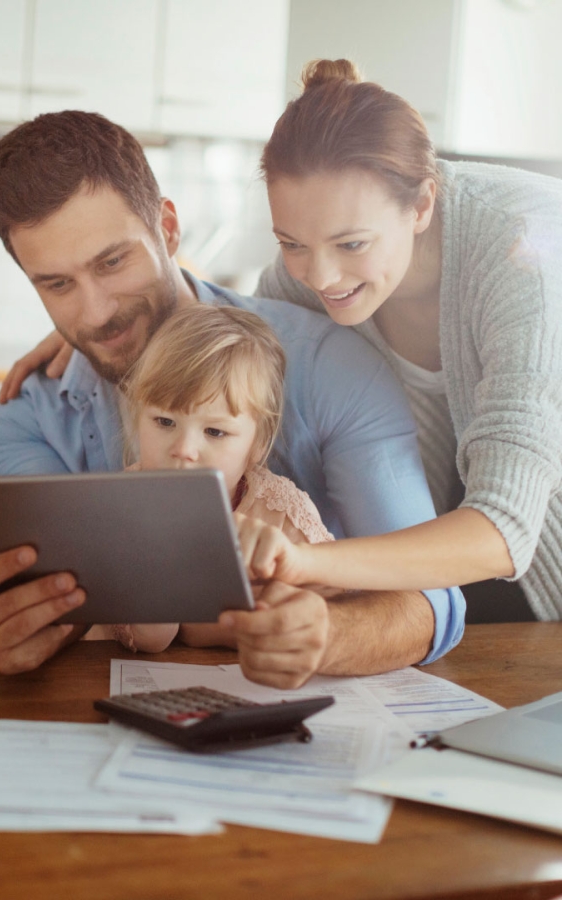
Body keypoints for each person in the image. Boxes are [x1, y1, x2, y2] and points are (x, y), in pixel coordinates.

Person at [0, 109, 465, 689]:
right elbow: (63, 610)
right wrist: (20, 626)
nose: (95, 313)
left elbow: (431, 603)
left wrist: (327, 636)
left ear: (167, 229)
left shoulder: (330, 366)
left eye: (112, 262)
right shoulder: (29, 418)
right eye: (57, 284)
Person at [237, 59, 562, 621]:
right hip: (446, 560)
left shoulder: (523, 257)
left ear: (421, 206)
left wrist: (309, 562)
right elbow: (232, 342)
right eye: (292, 243)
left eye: (353, 245)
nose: (320, 277)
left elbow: (504, 527)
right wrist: (101, 335)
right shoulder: (303, 274)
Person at [86, 303, 336, 655]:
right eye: (164, 422)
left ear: (257, 444)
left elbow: (334, 607)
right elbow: (148, 639)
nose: (185, 449)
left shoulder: (282, 513)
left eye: (215, 432)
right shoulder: (119, 508)